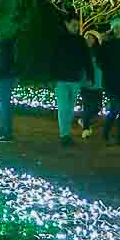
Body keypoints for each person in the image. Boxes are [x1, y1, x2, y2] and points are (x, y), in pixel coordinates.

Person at [41, 13, 94, 146]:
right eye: (74, 25)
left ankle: (66, 133)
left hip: (75, 79)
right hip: (61, 80)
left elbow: (86, 60)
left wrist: (89, 75)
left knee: (70, 108)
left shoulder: (80, 40)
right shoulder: (58, 39)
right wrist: (50, 77)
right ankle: (64, 134)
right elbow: (51, 59)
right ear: (66, 24)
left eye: (77, 25)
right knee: (64, 107)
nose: (76, 28)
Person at [96, 16, 120, 145]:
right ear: (112, 29)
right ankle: (106, 132)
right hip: (111, 81)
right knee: (115, 108)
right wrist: (109, 69)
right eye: (117, 27)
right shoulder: (107, 43)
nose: (119, 29)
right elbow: (100, 60)